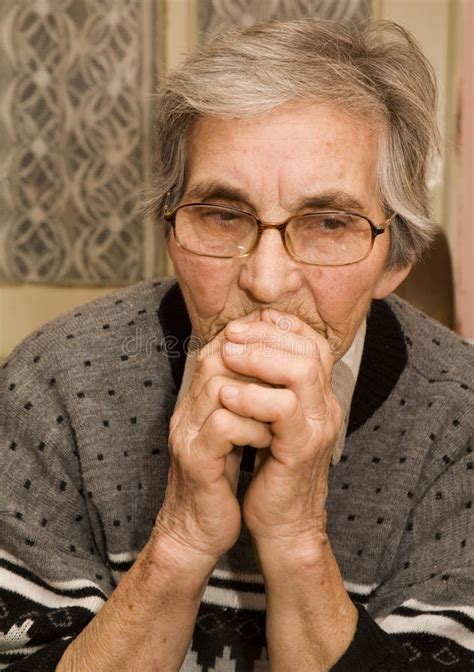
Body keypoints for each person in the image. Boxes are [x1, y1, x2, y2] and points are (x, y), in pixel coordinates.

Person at [1, 17, 473, 672]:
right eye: (222, 216)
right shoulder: (49, 383)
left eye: (329, 223)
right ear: (170, 231)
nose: (267, 281)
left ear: (396, 258)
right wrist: (181, 540)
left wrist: (298, 541)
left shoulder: (462, 421)